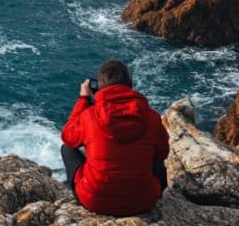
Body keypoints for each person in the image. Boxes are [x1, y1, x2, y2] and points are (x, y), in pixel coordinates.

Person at [60, 59, 170, 216]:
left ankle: (78, 190)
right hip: (143, 201)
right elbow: (162, 154)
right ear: (129, 84)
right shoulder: (151, 116)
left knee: (68, 148)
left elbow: (67, 135)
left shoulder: (89, 116)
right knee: (157, 161)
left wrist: (84, 99)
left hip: (95, 201)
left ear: (98, 86)